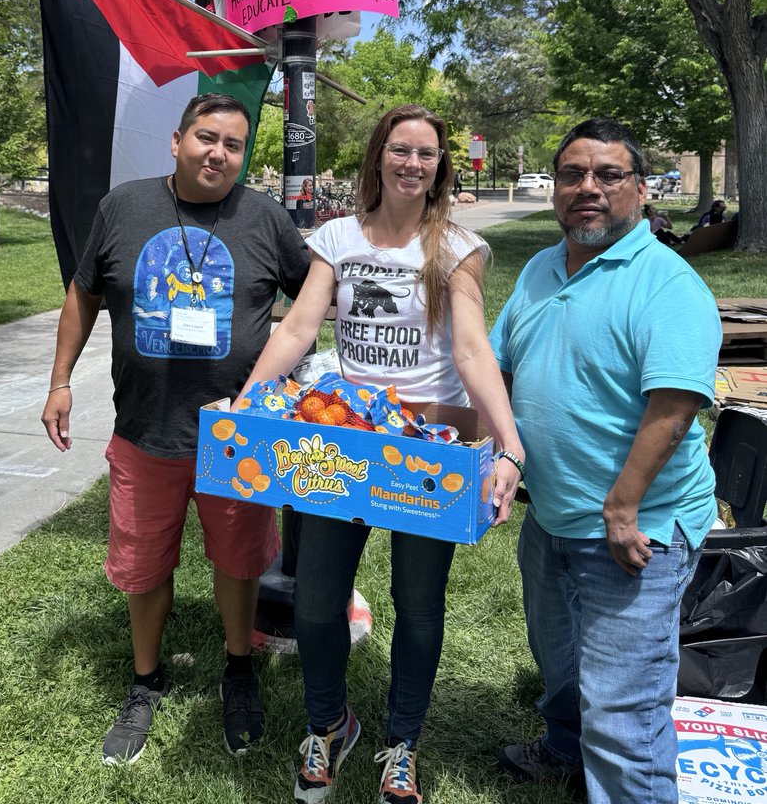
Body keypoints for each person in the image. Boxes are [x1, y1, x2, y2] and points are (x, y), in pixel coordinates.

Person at [235, 103, 525, 804]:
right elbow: (300, 325)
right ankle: (330, 725)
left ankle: (404, 742)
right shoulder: (337, 238)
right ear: (378, 157)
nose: (412, 164)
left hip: (429, 445)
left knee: (418, 604)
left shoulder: (456, 248)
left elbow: (469, 349)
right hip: (341, 438)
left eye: (426, 154)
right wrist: (247, 401)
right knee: (316, 602)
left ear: (439, 168)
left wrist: (509, 447)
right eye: (400, 150)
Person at [41, 93, 310, 765]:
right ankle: (145, 679)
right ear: (176, 140)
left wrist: (291, 379)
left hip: (236, 439)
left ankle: (239, 667)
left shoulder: (264, 216)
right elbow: (84, 293)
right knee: (142, 565)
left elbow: (314, 294)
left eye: (234, 144)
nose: (219, 153)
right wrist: (60, 379)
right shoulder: (123, 207)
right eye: (206, 137)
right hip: (145, 432)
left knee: (240, 559)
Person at [489, 117, 721, 804]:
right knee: (560, 667)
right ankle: (565, 748)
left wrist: (621, 509)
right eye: (572, 175)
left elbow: (675, 407)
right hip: (553, 518)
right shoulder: (540, 267)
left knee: (625, 713)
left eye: (607, 175)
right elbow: (499, 369)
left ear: (642, 191)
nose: (586, 188)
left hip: (634, 530)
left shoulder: (666, 284)